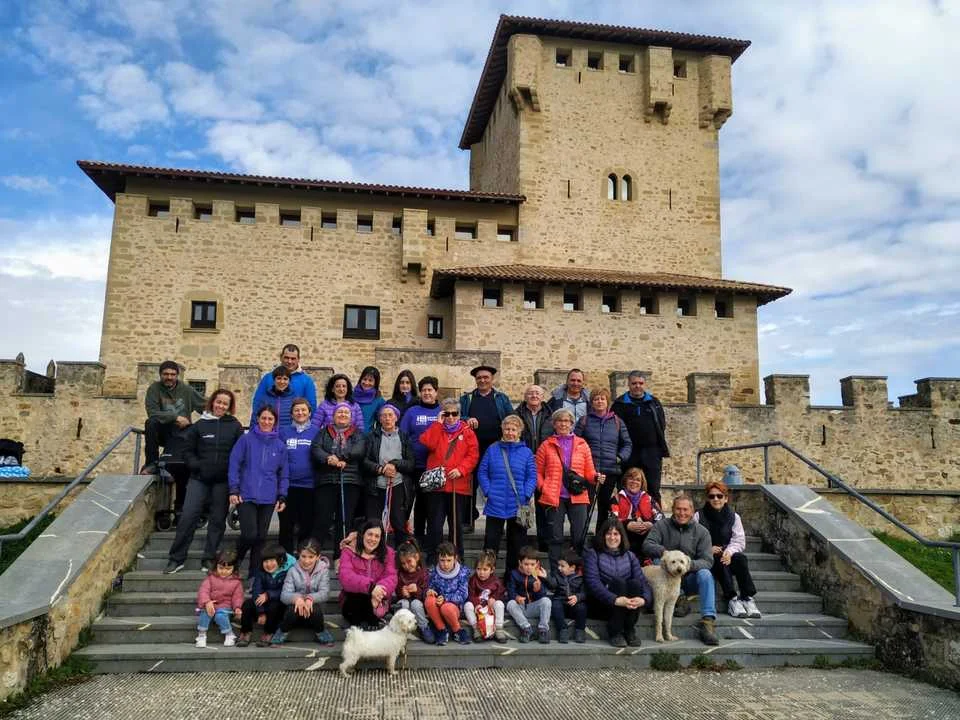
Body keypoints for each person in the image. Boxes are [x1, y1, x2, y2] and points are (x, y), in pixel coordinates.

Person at [164, 388, 244, 574]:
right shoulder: (200, 425)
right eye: (218, 402)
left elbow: (241, 453)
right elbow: (187, 451)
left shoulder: (235, 426)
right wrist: (196, 465)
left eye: (225, 403)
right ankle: (176, 558)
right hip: (199, 479)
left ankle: (209, 558)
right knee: (188, 516)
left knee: (217, 520)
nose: (221, 406)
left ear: (229, 406)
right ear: (212, 402)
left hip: (222, 481)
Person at [643, 494, 720, 645]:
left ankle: (708, 621)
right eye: (678, 509)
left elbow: (708, 560)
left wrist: (687, 565)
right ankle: (679, 599)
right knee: (660, 561)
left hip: (689, 577)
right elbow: (647, 545)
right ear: (672, 509)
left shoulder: (702, 532)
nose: (682, 513)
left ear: (692, 511)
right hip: (665, 578)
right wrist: (665, 553)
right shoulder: (661, 526)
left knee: (706, 574)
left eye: (685, 509)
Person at [535, 408, 600, 572]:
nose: (563, 424)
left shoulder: (582, 444)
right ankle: (556, 574)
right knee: (555, 538)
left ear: (572, 424)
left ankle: (579, 573)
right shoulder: (546, 445)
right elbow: (537, 471)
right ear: (554, 424)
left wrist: (596, 477)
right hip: (554, 497)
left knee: (580, 537)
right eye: (559, 421)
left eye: (566, 421)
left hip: (578, 496)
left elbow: (589, 471)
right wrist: (543, 487)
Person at [228, 405, 288, 579]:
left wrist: (282, 495)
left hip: (268, 497)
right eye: (264, 418)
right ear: (258, 419)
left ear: (275, 422)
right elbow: (234, 464)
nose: (266, 422)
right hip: (246, 494)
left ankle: (254, 573)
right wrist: (234, 489)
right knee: (249, 534)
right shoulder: (245, 440)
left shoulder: (280, 445)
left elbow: (284, 473)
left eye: (270, 419)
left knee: (261, 537)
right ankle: (233, 560)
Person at [419, 398, 479, 563]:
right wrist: (438, 424)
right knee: (435, 525)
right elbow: (428, 443)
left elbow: (473, 455)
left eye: (454, 413)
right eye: (447, 414)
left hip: (457, 486)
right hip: (437, 486)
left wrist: (461, 470)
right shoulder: (437, 428)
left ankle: (457, 558)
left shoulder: (468, 433)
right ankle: (433, 558)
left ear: (459, 414)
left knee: (456, 525)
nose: (451, 417)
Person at [477, 415, 537, 576]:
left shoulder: (526, 452)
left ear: (519, 432)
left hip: (518, 505)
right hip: (495, 503)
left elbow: (532, 476)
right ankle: (487, 579)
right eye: (507, 429)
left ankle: (512, 580)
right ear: (502, 430)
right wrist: (488, 491)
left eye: (513, 429)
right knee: (490, 545)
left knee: (517, 546)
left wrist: (526, 494)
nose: (510, 432)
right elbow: (482, 472)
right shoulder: (492, 449)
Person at [142, 360, 205, 512]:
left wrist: (220, 415)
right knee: (150, 423)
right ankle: (152, 463)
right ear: (160, 375)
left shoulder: (186, 390)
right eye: (166, 374)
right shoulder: (154, 389)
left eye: (172, 374)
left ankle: (179, 510)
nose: (169, 377)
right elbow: (152, 413)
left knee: (182, 468)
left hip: (181, 435)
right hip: (162, 432)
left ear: (177, 375)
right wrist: (175, 417)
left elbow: (204, 406)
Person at [695, 479, 761, 619]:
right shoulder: (698, 516)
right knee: (720, 560)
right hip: (707, 557)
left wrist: (729, 552)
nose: (716, 499)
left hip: (727, 551)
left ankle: (747, 597)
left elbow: (739, 540)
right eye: (712, 496)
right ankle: (732, 599)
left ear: (726, 498)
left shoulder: (734, 517)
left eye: (719, 496)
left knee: (740, 559)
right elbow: (693, 539)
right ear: (707, 498)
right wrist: (707, 549)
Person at [459, 365, 514, 529]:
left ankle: (498, 523)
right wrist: (466, 418)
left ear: (492, 379)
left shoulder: (501, 398)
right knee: (470, 484)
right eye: (479, 378)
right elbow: (457, 417)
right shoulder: (467, 398)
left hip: (496, 449)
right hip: (472, 449)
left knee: (497, 484)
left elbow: (512, 418)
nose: (482, 380)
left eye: (486, 377)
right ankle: (468, 520)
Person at [584, 517, 651, 648]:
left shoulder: (630, 556)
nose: (612, 537)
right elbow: (593, 584)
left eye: (616, 534)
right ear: (603, 536)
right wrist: (615, 599)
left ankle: (629, 630)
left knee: (635, 584)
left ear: (622, 536)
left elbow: (643, 582)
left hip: (627, 604)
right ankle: (615, 632)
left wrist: (644, 600)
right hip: (602, 604)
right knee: (619, 583)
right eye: (608, 534)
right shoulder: (593, 554)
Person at [311, 403, 366, 558]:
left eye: (346, 413)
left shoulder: (358, 433)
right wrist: (329, 458)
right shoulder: (323, 432)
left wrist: (340, 458)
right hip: (326, 480)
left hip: (349, 481)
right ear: (333, 416)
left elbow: (359, 450)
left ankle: (341, 557)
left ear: (351, 417)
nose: (342, 415)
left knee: (345, 521)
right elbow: (316, 448)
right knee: (322, 519)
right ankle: (313, 556)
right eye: (339, 412)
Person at [576, 387, 632, 534]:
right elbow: (576, 443)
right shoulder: (584, 421)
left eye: (602, 399)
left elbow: (627, 443)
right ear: (592, 402)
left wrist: (619, 457)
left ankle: (600, 537)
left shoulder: (617, 422)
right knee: (585, 505)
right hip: (589, 471)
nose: (599, 401)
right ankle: (581, 536)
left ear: (607, 402)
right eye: (596, 399)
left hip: (610, 470)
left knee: (604, 506)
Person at [612, 371, 669, 507]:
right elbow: (614, 428)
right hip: (628, 453)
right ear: (628, 384)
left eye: (640, 383)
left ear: (644, 384)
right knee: (625, 488)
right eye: (634, 383)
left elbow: (661, 424)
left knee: (653, 489)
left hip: (651, 453)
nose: (637, 386)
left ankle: (656, 519)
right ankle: (625, 517)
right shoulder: (619, 404)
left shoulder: (654, 403)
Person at [363, 403, 415, 547]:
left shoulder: (404, 437)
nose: (387, 418)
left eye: (390, 415)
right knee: (373, 523)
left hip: (397, 485)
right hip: (375, 486)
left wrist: (395, 464)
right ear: (379, 419)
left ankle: (401, 553)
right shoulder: (371, 437)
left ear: (396, 418)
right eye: (384, 416)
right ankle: (372, 552)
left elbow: (410, 463)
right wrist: (381, 469)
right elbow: (364, 461)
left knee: (398, 522)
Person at [399, 376, 442, 545]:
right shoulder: (412, 412)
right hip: (413, 465)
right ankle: (415, 537)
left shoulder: (442, 412)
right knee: (412, 501)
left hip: (433, 467)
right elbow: (403, 436)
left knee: (429, 504)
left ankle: (429, 540)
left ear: (436, 392)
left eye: (430, 390)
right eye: (424, 390)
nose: (427, 393)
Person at [272, 537, 333, 646]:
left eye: (311, 557)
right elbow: (284, 595)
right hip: (295, 613)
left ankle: (320, 631)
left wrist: (310, 598)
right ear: (298, 555)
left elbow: (325, 593)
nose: (306, 561)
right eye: (303, 556)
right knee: (292, 609)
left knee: (315, 609)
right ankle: (283, 631)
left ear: (318, 557)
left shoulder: (323, 571)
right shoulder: (292, 570)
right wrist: (297, 598)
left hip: (314, 612)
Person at [338, 520, 398, 629]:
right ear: (362, 534)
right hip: (353, 603)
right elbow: (345, 577)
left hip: (378, 601)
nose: (373, 539)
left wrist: (378, 591)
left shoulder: (388, 553)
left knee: (373, 611)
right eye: (370, 534)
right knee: (357, 598)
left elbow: (391, 577)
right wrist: (371, 588)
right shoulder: (349, 551)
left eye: (377, 536)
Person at [278, 398, 320, 555]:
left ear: (309, 413)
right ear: (291, 414)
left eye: (303, 410)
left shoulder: (317, 432)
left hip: (309, 487)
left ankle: (305, 558)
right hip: (288, 486)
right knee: (286, 526)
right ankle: (286, 558)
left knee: (306, 525)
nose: (300, 413)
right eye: (296, 410)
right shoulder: (283, 432)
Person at [514, 384, 553, 552]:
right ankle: (521, 542)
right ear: (525, 396)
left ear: (543, 397)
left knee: (543, 504)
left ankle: (544, 542)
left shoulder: (551, 415)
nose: (534, 396)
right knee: (523, 502)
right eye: (530, 393)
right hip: (524, 463)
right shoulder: (516, 414)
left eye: (537, 393)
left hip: (545, 464)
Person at [237, 543, 295, 647]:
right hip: (262, 605)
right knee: (247, 604)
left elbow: (285, 591)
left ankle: (269, 632)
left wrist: (268, 594)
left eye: (272, 561)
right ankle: (245, 632)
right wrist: (261, 612)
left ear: (280, 560)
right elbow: (256, 591)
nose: (268, 564)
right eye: (266, 561)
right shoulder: (260, 573)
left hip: (278, 605)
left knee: (274, 605)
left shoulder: (287, 572)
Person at [611, 467, 662, 562]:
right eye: (631, 478)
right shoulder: (617, 499)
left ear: (642, 483)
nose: (634, 482)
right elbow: (611, 520)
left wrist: (651, 524)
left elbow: (661, 518)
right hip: (624, 540)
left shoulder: (649, 499)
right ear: (625, 481)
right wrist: (627, 524)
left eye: (638, 480)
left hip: (646, 541)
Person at [194, 549, 243, 648]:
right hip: (210, 604)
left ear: (234, 568)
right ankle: (202, 635)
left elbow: (237, 597)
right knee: (205, 612)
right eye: (221, 568)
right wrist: (207, 602)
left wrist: (237, 607)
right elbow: (203, 591)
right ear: (216, 566)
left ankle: (229, 634)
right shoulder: (210, 578)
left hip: (225, 607)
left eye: (228, 569)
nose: (224, 571)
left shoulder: (236, 582)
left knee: (220, 615)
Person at [425, 541, 472, 645]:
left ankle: (457, 630)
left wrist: (445, 598)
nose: (445, 564)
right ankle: (441, 630)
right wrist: (430, 591)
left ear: (455, 558)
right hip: (438, 604)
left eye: (449, 560)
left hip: (453, 606)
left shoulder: (462, 573)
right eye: (442, 560)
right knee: (429, 601)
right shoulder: (434, 572)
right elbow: (429, 587)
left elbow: (463, 595)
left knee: (446, 608)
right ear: (438, 559)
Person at [251, 344, 317, 414]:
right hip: (270, 420)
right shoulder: (268, 378)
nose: (289, 361)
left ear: (298, 359)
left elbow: (311, 406)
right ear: (281, 357)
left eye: (293, 358)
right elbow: (257, 402)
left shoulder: (307, 381)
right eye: (286, 358)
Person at [505, 546, 551, 644]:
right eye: (526, 564)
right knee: (510, 604)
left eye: (532, 564)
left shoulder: (539, 575)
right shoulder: (514, 574)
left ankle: (543, 630)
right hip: (521, 607)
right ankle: (527, 628)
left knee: (546, 601)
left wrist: (538, 590)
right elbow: (510, 591)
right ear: (520, 563)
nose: (529, 567)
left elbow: (543, 595)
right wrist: (516, 597)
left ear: (537, 564)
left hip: (534, 607)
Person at [464, 550, 507, 643]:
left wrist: (494, 598)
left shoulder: (495, 581)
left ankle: (499, 628)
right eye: (478, 569)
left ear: (492, 570)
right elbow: (470, 594)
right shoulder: (473, 580)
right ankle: (476, 629)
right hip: (478, 609)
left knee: (499, 604)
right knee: (467, 605)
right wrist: (476, 604)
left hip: (490, 609)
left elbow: (501, 592)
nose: (481, 573)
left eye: (485, 569)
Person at [545, 548, 587, 644]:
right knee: (555, 605)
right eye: (559, 565)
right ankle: (562, 630)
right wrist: (546, 577)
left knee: (582, 607)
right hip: (560, 602)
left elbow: (585, 592)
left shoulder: (581, 578)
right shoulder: (557, 575)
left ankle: (580, 630)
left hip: (574, 604)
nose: (559, 568)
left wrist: (578, 597)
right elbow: (553, 584)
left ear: (572, 567)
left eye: (562, 566)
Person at [394, 540, 432, 642]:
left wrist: (417, 590)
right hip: (405, 602)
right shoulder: (400, 574)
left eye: (409, 561)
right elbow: (397, 591)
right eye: (403, 563)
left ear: (416, 557)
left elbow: (425, 594)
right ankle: (401, 629)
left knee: (416, 604)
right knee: (403, 603)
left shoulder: (423, 573)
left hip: (418, 604)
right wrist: (402, 592)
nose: (406, 566)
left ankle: (423, 627)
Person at [249, 366, 295, 431]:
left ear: (289, 381)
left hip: (287, 435)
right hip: (268, 435)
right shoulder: (265, 398)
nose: (282, 382)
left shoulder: (294, 399)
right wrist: (252, 433)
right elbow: (255, 418)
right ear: (274, 380)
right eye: (279, 378)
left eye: (285, 379)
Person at [354, 366, 386, 431]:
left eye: (370, 380)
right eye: (364, 379)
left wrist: (375, 435)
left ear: (375, 383)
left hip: (367, 436)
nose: (366, 383)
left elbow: (381, 422)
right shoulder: (351, 396)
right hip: (349, 435)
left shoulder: (379, 401)